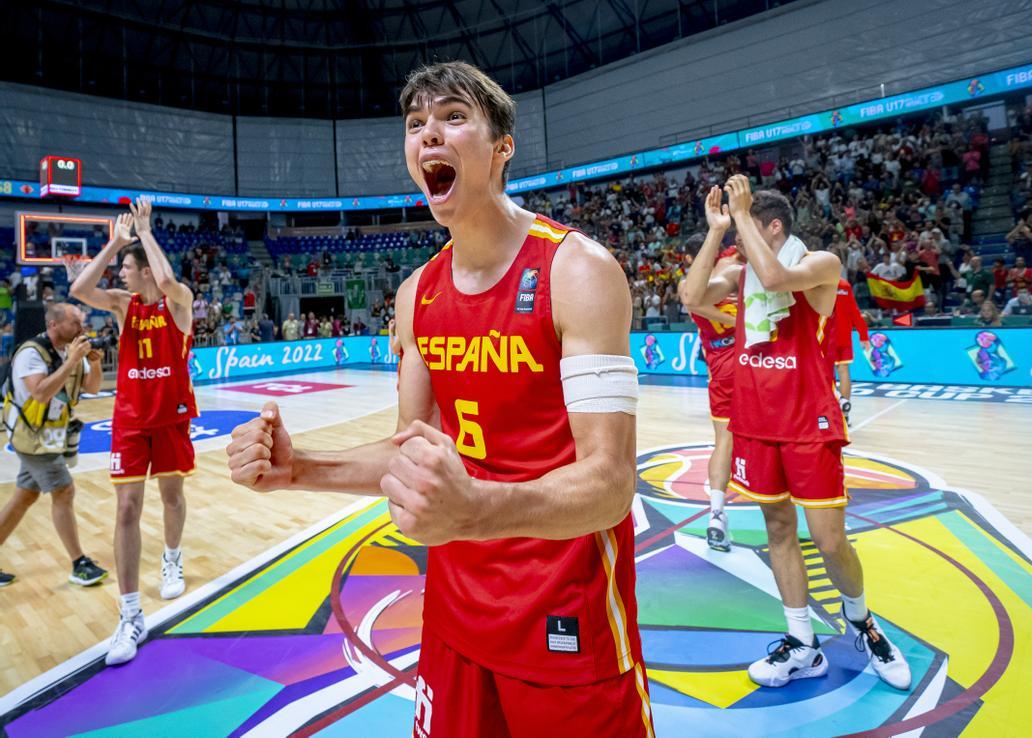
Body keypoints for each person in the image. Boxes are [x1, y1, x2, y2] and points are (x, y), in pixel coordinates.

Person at [225, 61, 654, 736]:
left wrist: (479, 508)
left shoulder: (578, 271)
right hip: (454, 615)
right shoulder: (416, 294)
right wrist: (298, 467)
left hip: (564, 617)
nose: (430, 135)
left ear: (501, 147)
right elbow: (410, 449)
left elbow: (610, 486)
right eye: (416, 124)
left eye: (454, 117)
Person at [681, 174, 910, 692]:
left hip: (811, 421)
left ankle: (864, 624)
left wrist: (739, 220)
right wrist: (718, 230)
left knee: (830, 542)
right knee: (779, 530)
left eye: (745, 227)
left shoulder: (819, 264)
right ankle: (803, 644)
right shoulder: (739, 268)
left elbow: (778, 277)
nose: (738, 241)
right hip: (758, 420)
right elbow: (693, 296)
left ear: (774, 225)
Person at [70, 201, 199, 666]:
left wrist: (144, 232)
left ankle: (172, 557)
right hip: (130, 418)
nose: (121, 275)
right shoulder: (122, 307)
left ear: (144, 270)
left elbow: (165, 281)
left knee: (171, 497)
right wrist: (115, 243)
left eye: (126, 268)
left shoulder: (177, 302)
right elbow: (79, 287)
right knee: (126, 507)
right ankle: (129, 615)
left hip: (170, 416)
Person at [0, 303, 107, 588]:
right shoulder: (31, 353)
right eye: (75, 323)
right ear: (54, 325)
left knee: (24, 497)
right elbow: (41, 392)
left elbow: (93, 388)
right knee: (63, 489)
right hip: (30, 435)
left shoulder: (74, 351)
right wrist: (71, 362)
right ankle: (78, 563)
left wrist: (94, 363)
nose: (81, 329)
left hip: (51, 434)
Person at [680, 226, 743, 553]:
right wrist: (738, 322)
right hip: (753, 356)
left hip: (719, 362)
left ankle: (717, 513)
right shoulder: (734, 267)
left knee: (723, 441)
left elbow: (697, 306)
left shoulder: (687, 285)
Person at [827, 278, 869, 421]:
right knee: (843, 370)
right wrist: (863, 335)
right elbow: (854, 311)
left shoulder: (819, 282)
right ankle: (844, 415)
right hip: (844, 335)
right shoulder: (844, 285)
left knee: (825, 372)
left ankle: (828, 412)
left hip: (825, 335)